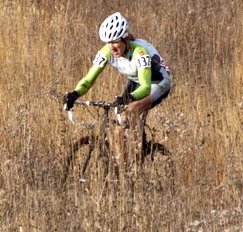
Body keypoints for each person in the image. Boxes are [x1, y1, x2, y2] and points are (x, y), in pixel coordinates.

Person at [63, 12, 172, 157]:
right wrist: (74, 94)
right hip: (136, 80)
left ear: (125, 39)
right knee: (117, 132)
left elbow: (145, 87)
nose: (111, 47)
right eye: (108, 42)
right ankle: (123, 167)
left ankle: (138, 157)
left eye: (115, 42)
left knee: (132, 109)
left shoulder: (140, 53)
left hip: (158, 82)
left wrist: (129, 98)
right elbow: (88, 79)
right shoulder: (106, 52)